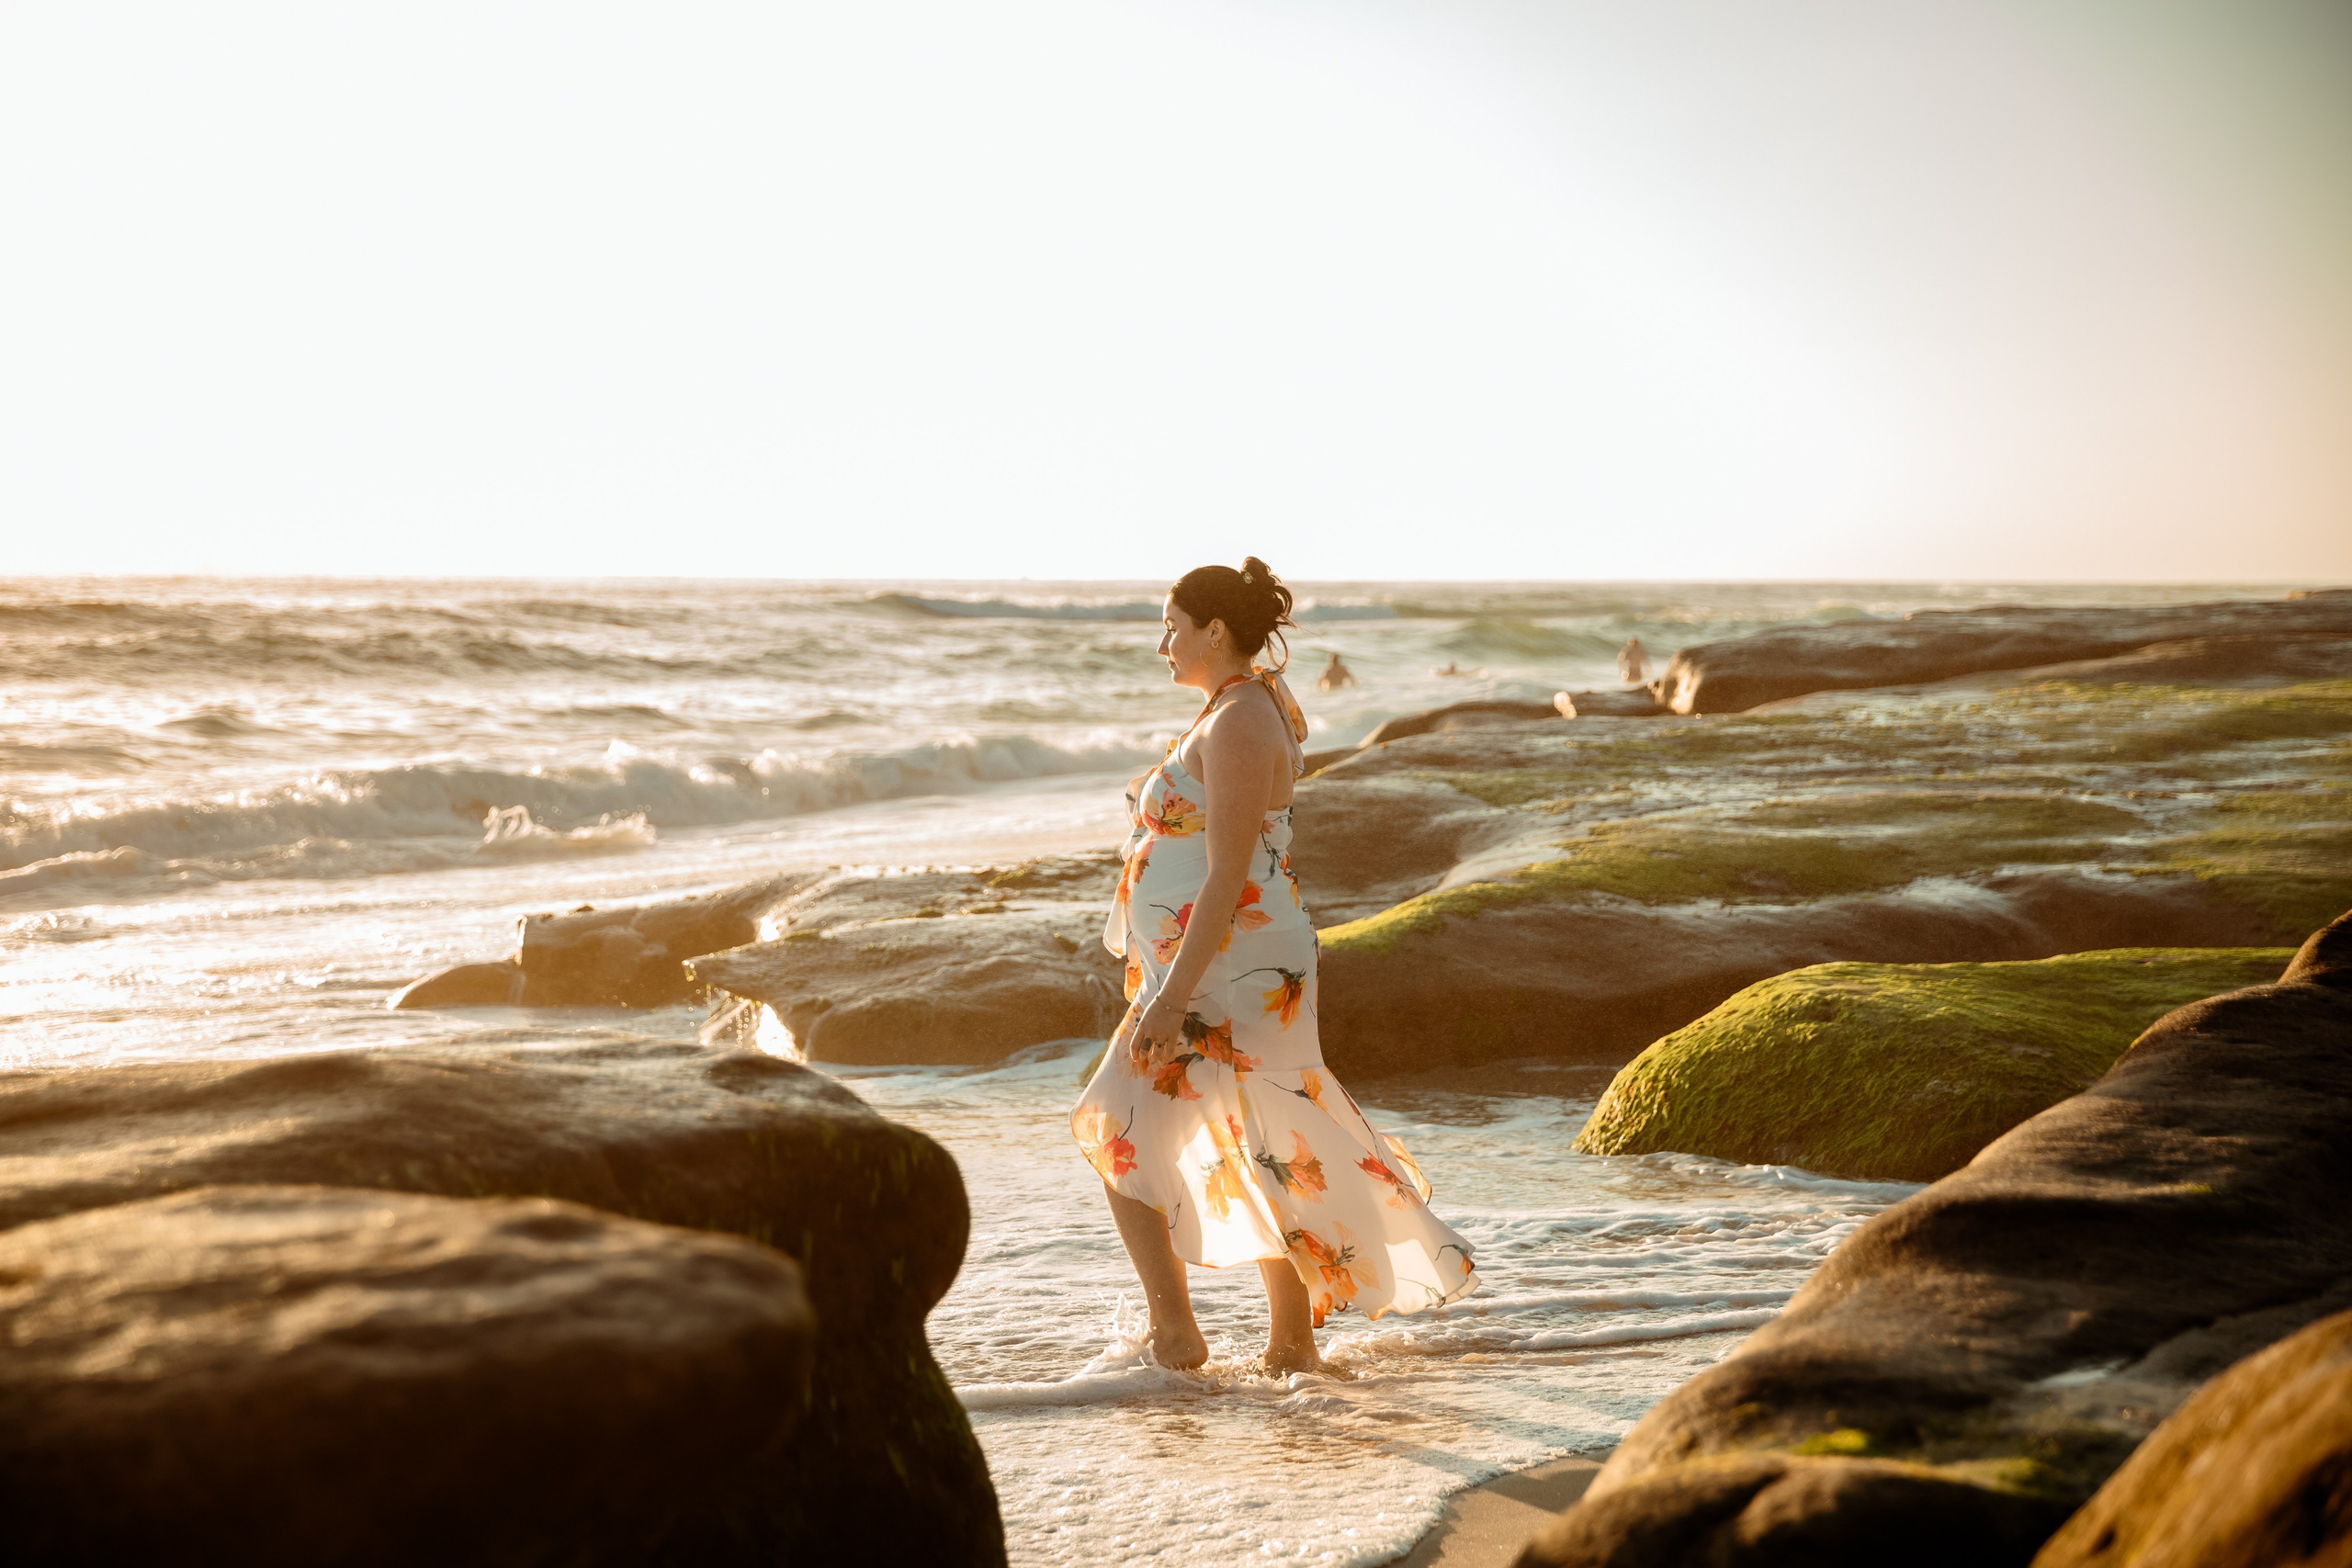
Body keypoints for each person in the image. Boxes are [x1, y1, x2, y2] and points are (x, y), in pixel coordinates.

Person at [1071, 558, 1479, 1375]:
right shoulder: (1241, 704)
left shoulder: (1239, 722)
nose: (1163, 645)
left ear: (1215, 630)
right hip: (1232, 961)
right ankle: (1288, 1344)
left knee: (1115, 1125)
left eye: (1173, 627)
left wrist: (1170, 995)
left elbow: (1227, 874)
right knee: (1261, 1137)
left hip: (1223, 969)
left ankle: (1180, 1334)